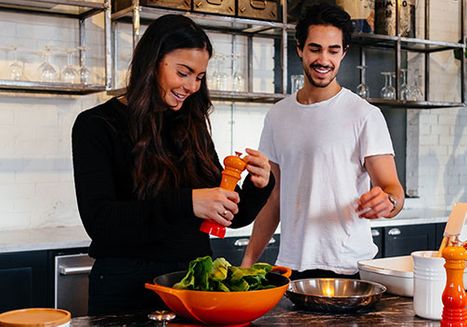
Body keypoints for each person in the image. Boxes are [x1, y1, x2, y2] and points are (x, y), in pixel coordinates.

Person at [71, 14, 274, 315]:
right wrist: (188, 203)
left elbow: (227, 215)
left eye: (200, 77)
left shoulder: (191, 125)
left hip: (193, 289)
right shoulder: (96, 125)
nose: (192, 86)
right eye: (184, 72)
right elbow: (101, 222)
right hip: (126, 292)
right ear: (153, 62)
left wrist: (258, 186)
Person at [241, 3, 404, 280]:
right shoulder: (278, 115)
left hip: (349, 268)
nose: (324, 59)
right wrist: (247, 263)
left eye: (333, 50)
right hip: (291, 268)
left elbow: (393, 190)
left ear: (344, 53)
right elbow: (273, 198)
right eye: (315, 48)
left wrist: (388, 202)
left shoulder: (364, 115)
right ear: (299, 49)